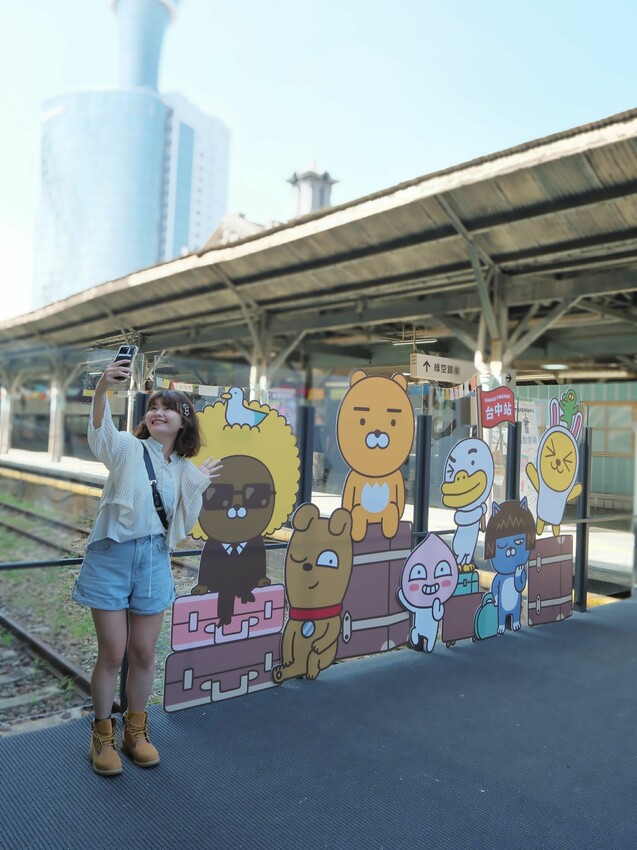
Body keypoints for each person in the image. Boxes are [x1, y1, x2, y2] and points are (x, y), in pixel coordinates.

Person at [72, 355, 222, 777]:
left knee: (142, 652)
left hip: (154, 560)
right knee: (112, 652)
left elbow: (184, 523)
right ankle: (102, 735)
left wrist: (198, 480)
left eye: (168, 408)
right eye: (153, 407)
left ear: (184, 421)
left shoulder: (184, 469)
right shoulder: (127, 448)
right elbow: (101, 432)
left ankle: (135, 732)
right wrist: (103, 389)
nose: (157, 412)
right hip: (112, 557)